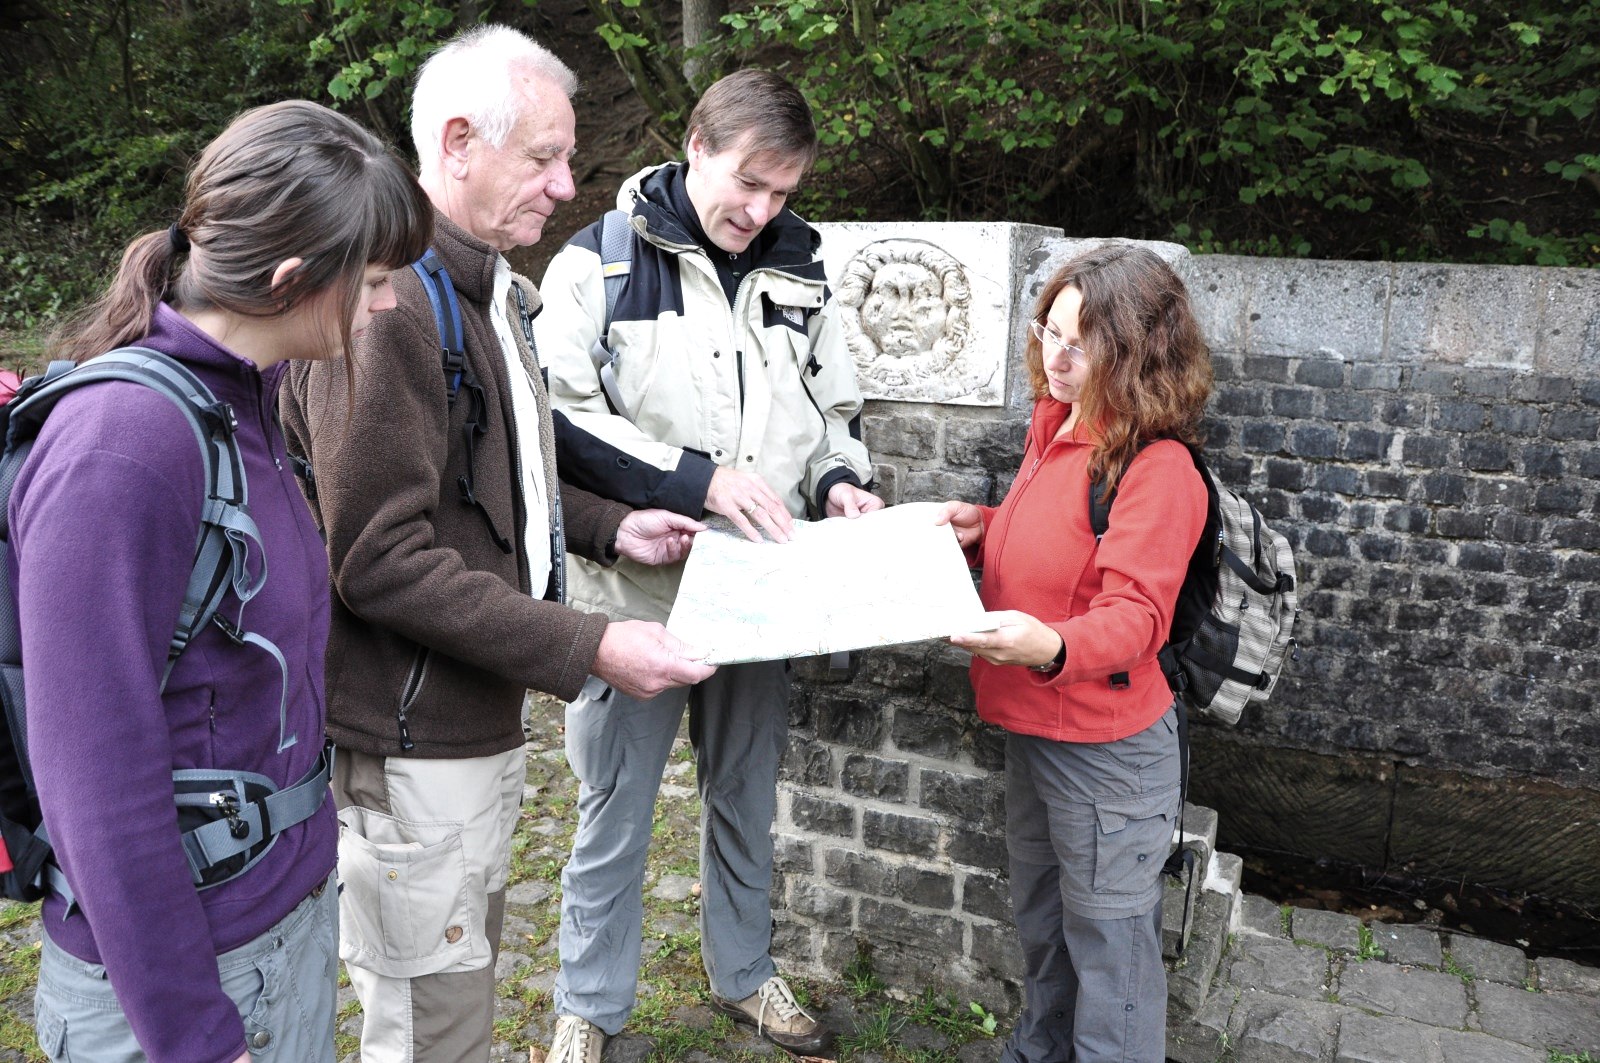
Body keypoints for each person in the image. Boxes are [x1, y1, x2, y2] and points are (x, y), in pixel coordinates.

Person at [277, 25, 716, 1063]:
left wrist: (609, 524)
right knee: (430, 1025)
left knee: (459, 993)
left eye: (567, 158)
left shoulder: (485, 285)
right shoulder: (389, 304)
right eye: (544, 157)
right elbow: (377, 557)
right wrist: (589, 644)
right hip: (412, 734)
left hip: (466, 721)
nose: (567, 185)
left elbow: (492, 465)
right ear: (458, 142)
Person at [15, 100, 433, 1063]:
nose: (386, 305)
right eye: (373, 280)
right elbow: (93, 784)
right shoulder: (122, 449)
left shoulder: (245, 405)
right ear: (291, 280)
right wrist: (196, 1036)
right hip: (178, 991)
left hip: (276, 931)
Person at [535, 68, 880, 1061]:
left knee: (745, 793)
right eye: (748, 182)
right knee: (614, 807)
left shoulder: (802, 269)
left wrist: (838, 483)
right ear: (695, 146)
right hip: (636, 597)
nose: (762, 210)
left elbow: (836, 414)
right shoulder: (597, 263)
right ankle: (588, 1005)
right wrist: (700, 480)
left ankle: (744, 974)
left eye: (783, 191)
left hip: (761, 593)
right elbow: (558, 414)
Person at [936, 244, 1213, 1063]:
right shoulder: (1060, 423)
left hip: (1105, 749)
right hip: (1036, 725)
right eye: (1049, 332)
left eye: (1082, 345)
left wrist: (1050, 645)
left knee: (1111, 947)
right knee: (1046, 919)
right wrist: (987, 528)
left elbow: (1137, 617)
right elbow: (1065, 545)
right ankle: (1040, 1051)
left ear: (1136, 356)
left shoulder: (1159, 467)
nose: (1055, 358)